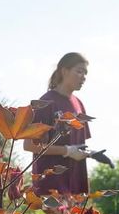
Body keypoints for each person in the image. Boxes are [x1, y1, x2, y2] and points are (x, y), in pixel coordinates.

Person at [24, 52, 93, 194]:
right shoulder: (46, 103)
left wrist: (92, 154)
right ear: (64, 71)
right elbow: (29, 145)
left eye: (85, 73)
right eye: (79, 71)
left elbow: (80, 145)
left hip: (75, 184)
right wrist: (66, 151)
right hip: (52, 184)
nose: (83, 77)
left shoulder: (78, 104)